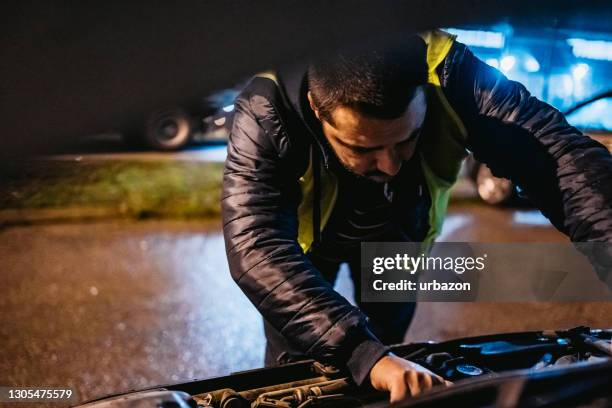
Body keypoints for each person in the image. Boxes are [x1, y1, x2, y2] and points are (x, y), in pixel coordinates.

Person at [221, 29, 612, 402]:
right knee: (299, 370)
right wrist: (359, 351)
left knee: (394, 357)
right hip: (301, 253)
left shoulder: (454, 74)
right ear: (316, 108)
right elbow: (257, 240)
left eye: (407, 139)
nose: (390, 166)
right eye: (362, 149)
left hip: (398, 234)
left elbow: (560, 162)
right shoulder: (265, 105)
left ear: (426, 90)